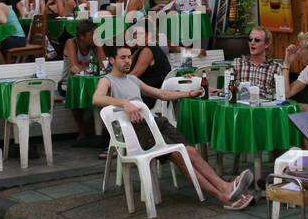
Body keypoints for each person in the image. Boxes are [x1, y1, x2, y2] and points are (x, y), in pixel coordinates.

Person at [92, 45, 254, 210]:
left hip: (155, 123)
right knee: (179, 155)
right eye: (123, 58)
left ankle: (226, 187)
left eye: (129, 57)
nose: (128, 61)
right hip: (135, 130)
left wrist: (187, 94)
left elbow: (160, 94)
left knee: (190, 151)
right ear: (112, 60)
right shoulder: (107, 80)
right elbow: (97, 98)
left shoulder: (133, 79)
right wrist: (124, 103)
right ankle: (223, 197)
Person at [63, 18, 108, 146]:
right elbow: (75, 67)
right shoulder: (71, 43)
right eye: (91, 35)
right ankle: (82, 131)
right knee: (75, 93)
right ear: (81, 37)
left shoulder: (94, 45)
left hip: (90, 82)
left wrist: (99, 47)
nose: (94, 37)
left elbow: (104, 67)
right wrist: (91, 69)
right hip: (68, 83)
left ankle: (102, 133)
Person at [229, 26, 281, 99]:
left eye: (257, 40)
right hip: (242, 106)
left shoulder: (275, 67)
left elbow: (281, 94)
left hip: (264, 107)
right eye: (250, 39)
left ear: (266, 44)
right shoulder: (238, 63)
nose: (252, 43)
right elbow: (226, 90)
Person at [128, 23, 171, 90]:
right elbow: (127, 64)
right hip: (147, 89)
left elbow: (135, 74)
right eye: (135, 34)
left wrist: (117, 82)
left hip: (151, 93)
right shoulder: (141, 48)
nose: (136, 36)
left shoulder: (148, 50)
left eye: (140, 34)